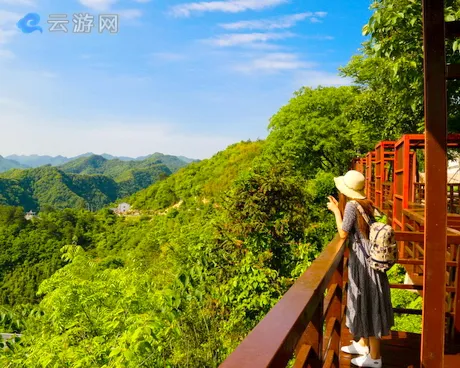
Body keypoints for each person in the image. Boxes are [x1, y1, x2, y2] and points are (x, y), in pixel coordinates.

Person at [326, 170, 394, 368]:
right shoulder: (367, 203)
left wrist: (336, 211)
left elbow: (343, 233)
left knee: (369, 301)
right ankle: (363, 344)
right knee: (366, 299)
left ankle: (374, 357)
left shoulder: (351, 206)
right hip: (369, 258)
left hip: (364, 262)